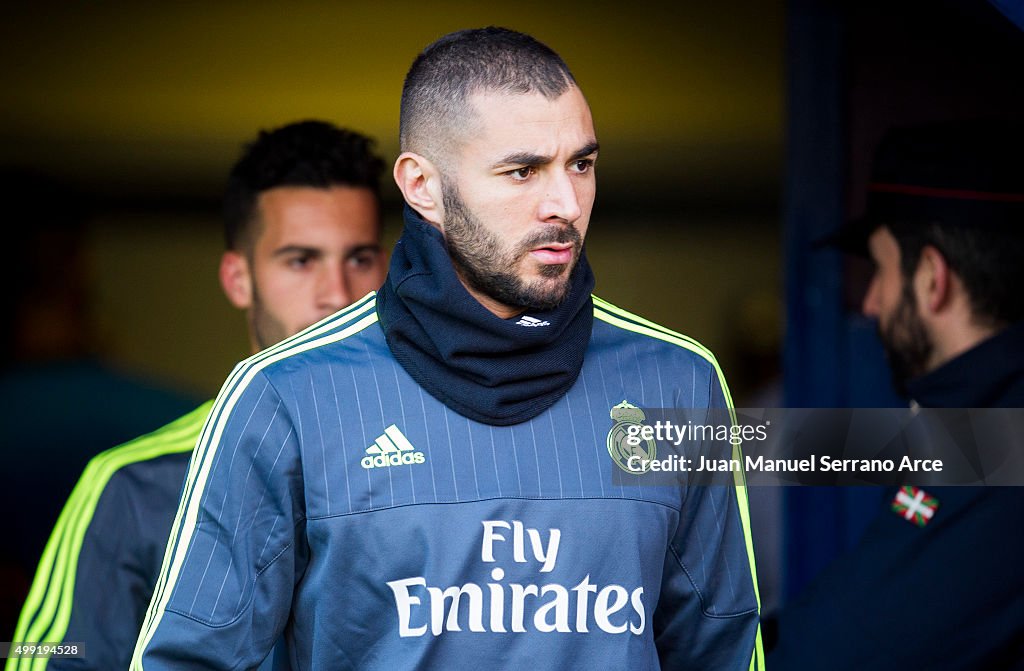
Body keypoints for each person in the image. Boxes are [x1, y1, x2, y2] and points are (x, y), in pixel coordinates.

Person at [132, 28, 763, 670]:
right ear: (422, 186)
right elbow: (190, 659)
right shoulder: (286, 393)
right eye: (523, 171)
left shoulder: (679, 382)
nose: (566, 204)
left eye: (582, 163)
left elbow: (724, 650)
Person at [6, 120, 388, 671]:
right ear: (238, 279)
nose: (338, 294)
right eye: (300, 260)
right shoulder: (133, 483)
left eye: (359, 258)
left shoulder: (442, 464)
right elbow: (46, 658)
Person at [766, 120, 1024, 668]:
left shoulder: (994, 443)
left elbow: (830, 653)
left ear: (932, 278)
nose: (871, 304)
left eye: (880, 272)